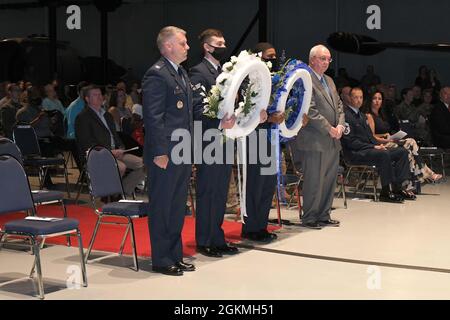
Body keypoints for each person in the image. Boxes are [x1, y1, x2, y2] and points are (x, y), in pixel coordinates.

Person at [142, 26, 195, 276]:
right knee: (163, 206)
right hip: (165, 153)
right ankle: (162, 259)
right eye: (183, 43)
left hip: (182, 150)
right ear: (169, 46)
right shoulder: (156, 75)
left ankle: (175, 254)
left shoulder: (181, 73)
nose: (187, 47)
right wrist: (160, 152)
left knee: (176, 206)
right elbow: (154, 118)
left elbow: (185, 116)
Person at [189, 28, 239, 257]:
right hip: (209, 140)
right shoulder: (198, 73)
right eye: (218, 43)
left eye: (224, 41)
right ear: (207, 47)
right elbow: (198, 110)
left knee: (220, 193)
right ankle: (204, 240)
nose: (223, 46)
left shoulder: (225, 72)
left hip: (225, 140)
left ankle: (217, 237)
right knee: (208, 192)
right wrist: (220, 123)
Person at [289, 44, 344, 229]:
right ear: (312, 59)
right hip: (315, 139)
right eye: (323, 58)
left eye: (329, 59)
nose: (327, 62)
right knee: (314, 180)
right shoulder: (305, 79)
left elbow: (339, 106)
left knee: (329, 180)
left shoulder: (329, 80)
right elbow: (310, 110)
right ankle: (310, 217)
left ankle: (323, 214)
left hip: (333, 140)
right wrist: (329, 128)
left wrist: (341, 125)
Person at [240, 42, 284, 241]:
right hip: (254, 136)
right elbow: (245, 111)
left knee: (267, 183)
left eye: (275, 57)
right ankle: (250, 227)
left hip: (271, 136)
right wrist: (266, 117)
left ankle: (261, 224)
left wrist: (280, 115)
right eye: (269, 56)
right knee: (255, 183)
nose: (272, 60)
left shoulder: (273, 80)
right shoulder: (247, 80)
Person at [341, 87, 415, 202]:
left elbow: (370, 137)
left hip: (368, 150)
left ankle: (398, 187)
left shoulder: (361, 115)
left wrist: (381, 145)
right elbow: (351, 142)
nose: (359, 100)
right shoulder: (346, 116)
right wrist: (373, 147)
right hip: (355, 153)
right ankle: (385, 191)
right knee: (383, 154)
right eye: (356, 97)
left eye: (361, 97)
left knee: (401, 151)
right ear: (350, 98)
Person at [75, 85, 145, 197]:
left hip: (115, 153)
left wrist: (121, 147)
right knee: (120, 167)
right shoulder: (83, 117)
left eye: (100, 94)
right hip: (97, 154)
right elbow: (86, 143)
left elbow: (115, 136)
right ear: (87, 99)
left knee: (144, 165)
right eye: (95, 95)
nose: (99, 97)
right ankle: (112, 195)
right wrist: (108, 152)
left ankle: (121, 191)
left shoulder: (107, 115)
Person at [365, 90, 442, 184]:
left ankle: (416, 178)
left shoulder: (381, 115)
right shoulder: (369, 116)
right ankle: (424, 174)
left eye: (379, 99)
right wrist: (387, 138)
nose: (377, 101)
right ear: (370, 100)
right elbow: (372, 136)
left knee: (409, 147)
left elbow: (384, 133)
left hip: (388, 141)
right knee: (410, 142)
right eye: (375, 98)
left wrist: (388, 136)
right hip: (379, 144)